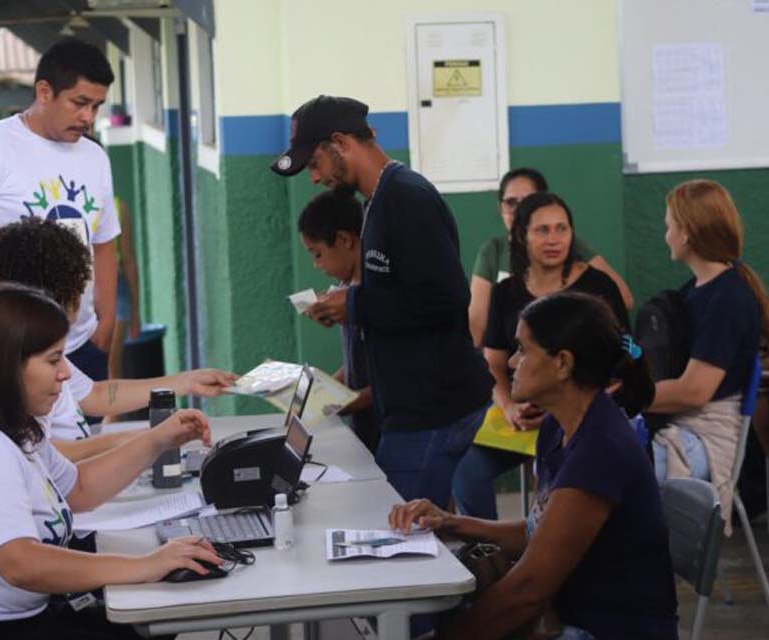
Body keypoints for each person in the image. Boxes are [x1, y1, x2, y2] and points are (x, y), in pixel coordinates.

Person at [0, 283, 222, 639]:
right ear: (8, 365)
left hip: (15, 618)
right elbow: (22, 564)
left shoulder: (12, 425)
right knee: (146, 624)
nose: (66, 373)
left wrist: (159, 439)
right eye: (53, 360)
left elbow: (79, 488)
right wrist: (144, 566)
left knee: (152, 622)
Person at [390, 292, 678, 640]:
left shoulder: (600, 450)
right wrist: (451, 524)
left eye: (523, 350)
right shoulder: (559, 426)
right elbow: (536, 534)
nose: (511, 362)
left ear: (562, 363)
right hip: (567, 616)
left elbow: (528, 592)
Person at [275, 95, 493, 505]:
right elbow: (401, 292)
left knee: (403, 541)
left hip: (432, 410)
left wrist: (355, 306)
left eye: (316, 164)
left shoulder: (406, 198)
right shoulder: (376, 202)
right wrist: (350, 303)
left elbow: (447, 299)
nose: (315, 179)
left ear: (339, 143)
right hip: (411, 410)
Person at [0, 217, 236, 457]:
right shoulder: (12, 376)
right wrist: (140, 441)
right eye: (78, 289)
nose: (83, 300)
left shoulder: (40, 357)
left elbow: (96, 395)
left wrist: (188, 381)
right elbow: (40, 454)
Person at [0, 39, 119, 391]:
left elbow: (104, 244)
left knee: (84, 444)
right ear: (44, 91)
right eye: (79, 103)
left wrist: (106, 325)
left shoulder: (95, 157)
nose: (88, 117)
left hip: (82, 346)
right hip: (11, 349)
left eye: (97, 106)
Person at [454, 192, 630, 519]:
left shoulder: (599, 285)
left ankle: (541, 546)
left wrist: (600, 388)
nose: (554, 239)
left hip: (578, 416)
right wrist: (509, 405)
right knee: (466, 466)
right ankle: (486, 550)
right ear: (521, 235)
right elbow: (493, 360)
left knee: (553, 479)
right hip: (524, 416)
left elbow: (626, 351)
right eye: (542, 230)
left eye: (562, 229)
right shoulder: (506, 292)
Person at [648, 179, 769, 534]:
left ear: (686, 233)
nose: (665, 233)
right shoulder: (696, 291)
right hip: (684, 425)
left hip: (708, 436)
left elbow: (694, 392)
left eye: (669, 224)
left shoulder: (727, 299)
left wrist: (628, 394)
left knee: (617, 474)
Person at [468, 167, 633, 346]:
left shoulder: (564, 244)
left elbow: (624, 299)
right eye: (510, 202)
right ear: (501, 208)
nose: (518, 209)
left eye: (528, 200)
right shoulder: (493, 252)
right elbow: (477, 324)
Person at [297, 189, 379, 452]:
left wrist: (341, 402)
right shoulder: (344, 292)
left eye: (317, 254)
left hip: (391, 431)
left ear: (344, 239)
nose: (316, 265)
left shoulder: (377, 297)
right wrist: (322, 390)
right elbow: (356, 364)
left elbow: (393, 382)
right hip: (364, 432)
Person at [107, 196, 141, 380]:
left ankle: (114, 408)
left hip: (117, 287)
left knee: (110, 365)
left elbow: (128, 260)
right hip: (84, 289)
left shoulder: (118, 207)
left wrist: (135, 312)